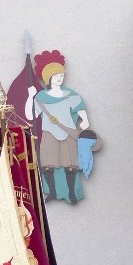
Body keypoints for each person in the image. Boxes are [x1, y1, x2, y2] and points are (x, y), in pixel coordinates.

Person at [26, 49, 92, 203]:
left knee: (70, 166)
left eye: (61, 76)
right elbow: (31, 116)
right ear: (48, 78)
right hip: (49, 134)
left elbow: (81, 110)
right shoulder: (41, 97)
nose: (59, 79)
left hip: (68, 134)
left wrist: (85, 121)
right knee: (48, 165)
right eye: (56, 76)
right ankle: (53, 192)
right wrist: (30, 97)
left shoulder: (70, 95)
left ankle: (72, 193)